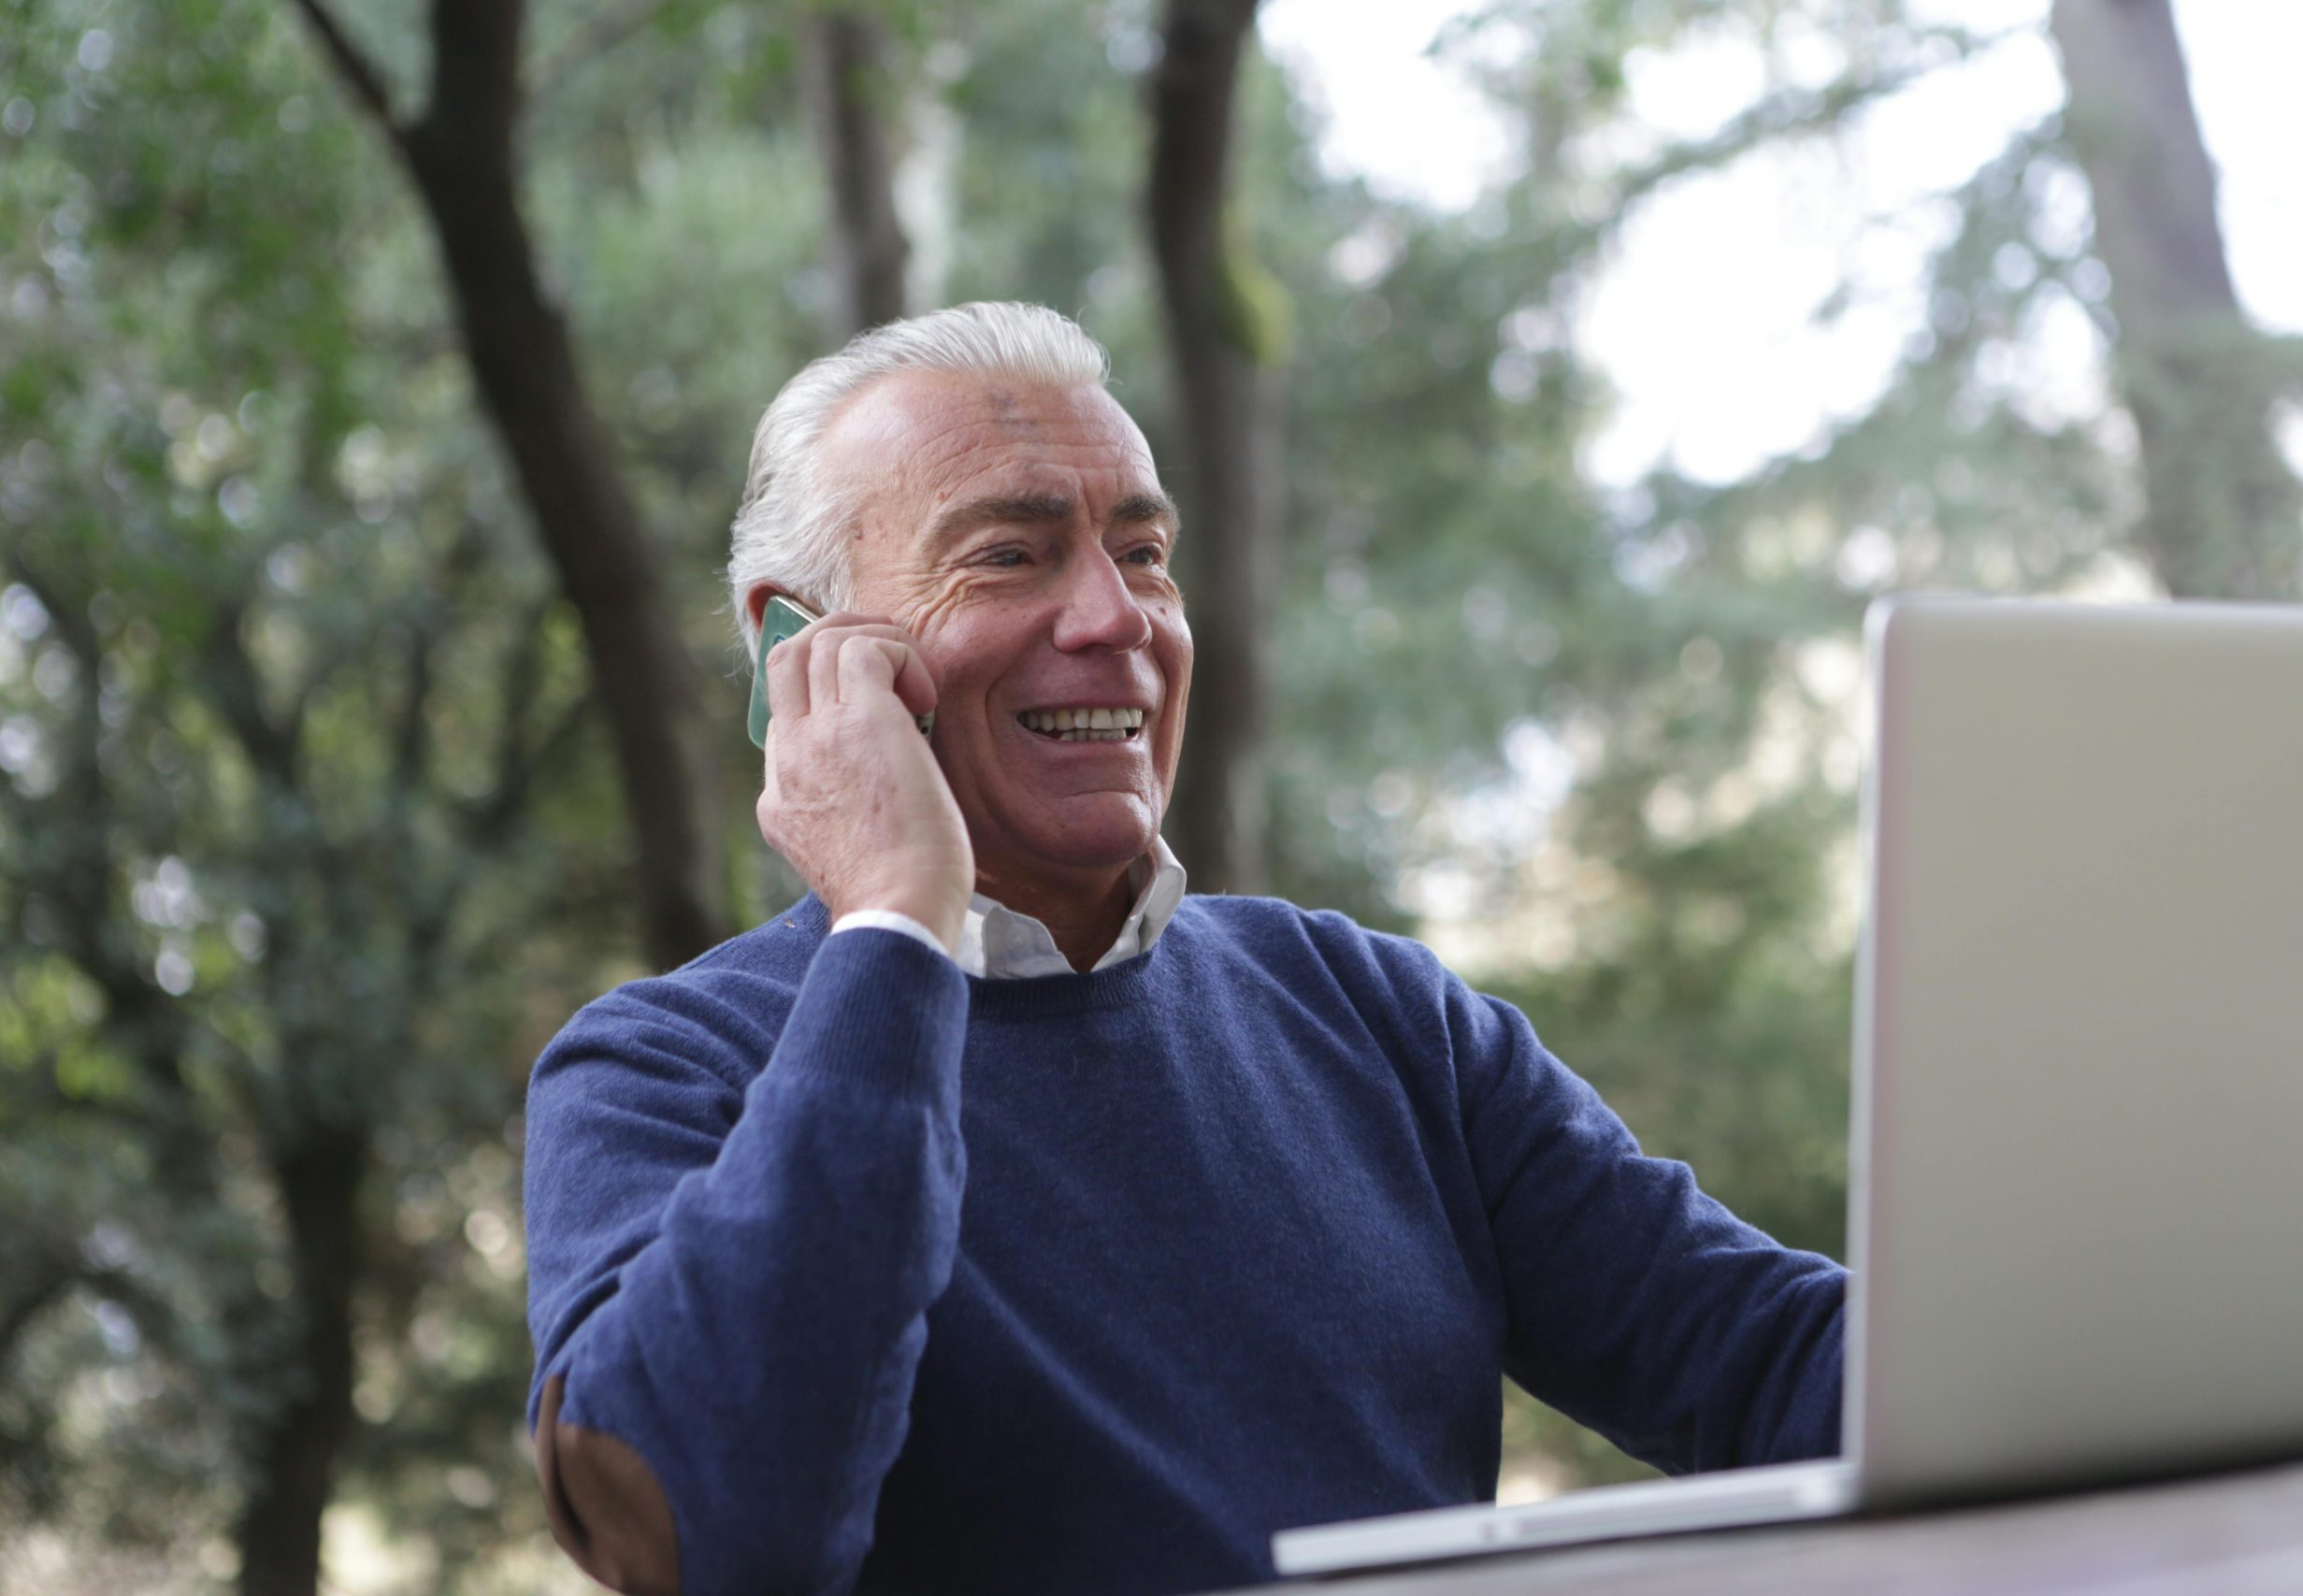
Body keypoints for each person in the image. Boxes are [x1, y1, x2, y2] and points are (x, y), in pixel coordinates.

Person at [521, 302, 1845, 1596]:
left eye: (1145, 554)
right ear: (797, 652)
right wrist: (893, 927)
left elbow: (1773, 1363)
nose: (1117, 619)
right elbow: (711, 1535)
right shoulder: (660, 1068)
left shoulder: (1377, 1015)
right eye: (1009, 556)